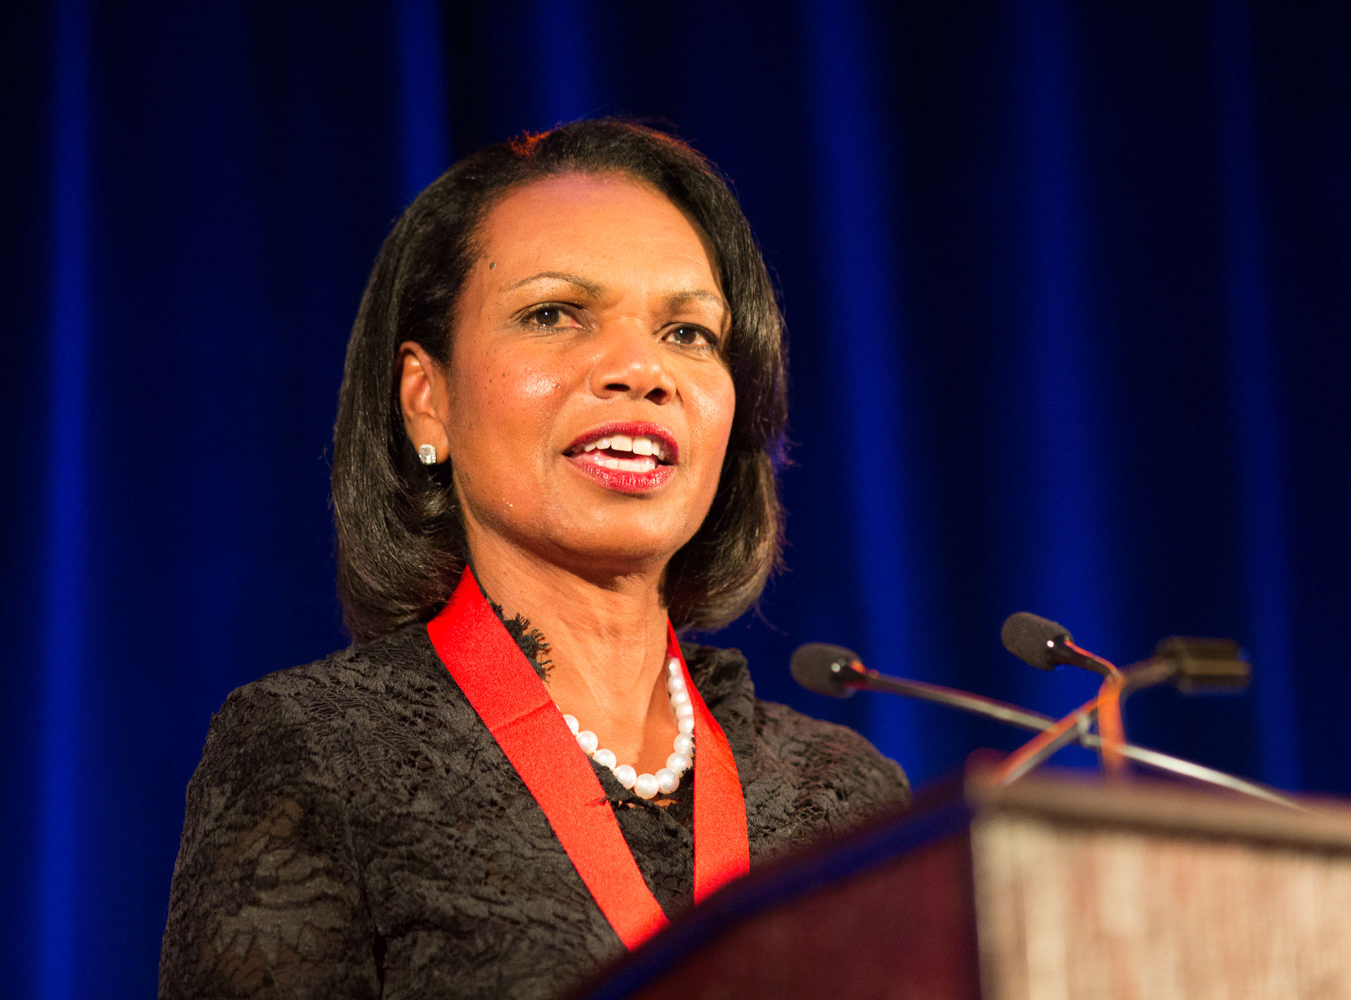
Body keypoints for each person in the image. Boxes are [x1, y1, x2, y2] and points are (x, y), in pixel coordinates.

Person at [159, 120, 908, 999]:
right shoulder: (317, 753)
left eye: (689, 333)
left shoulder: (844, 797)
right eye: (553, 314)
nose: (640, 369)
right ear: (426, 400)